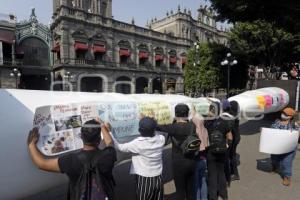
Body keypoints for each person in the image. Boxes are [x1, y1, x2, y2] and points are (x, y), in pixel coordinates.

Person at [27, 119, 117, 200]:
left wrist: (31, 145)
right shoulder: (108, 155)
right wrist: (102, 126)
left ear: (81, 137)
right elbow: (110, 143)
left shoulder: (71, 160)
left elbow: (42, 164)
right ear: (99, 139)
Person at [108, 117, 165, 200]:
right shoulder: (161, 139)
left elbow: (120, 147)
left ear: (139, 130)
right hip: (158, 176)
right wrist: (147, 121)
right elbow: (154, 130)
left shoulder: (138, 144)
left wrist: (109, 132)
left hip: (145, 179)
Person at [156, 103, 197, 200]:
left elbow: (157, 126)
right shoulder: (192, 126)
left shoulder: (173, 127)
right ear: (187, 113)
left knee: (180, 190)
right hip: (191, 161)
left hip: (179, 163)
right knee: (190, 189)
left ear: (176, 114)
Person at [205, 100, 233, 200]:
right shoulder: (224, 121)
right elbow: (230, 137)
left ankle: (213, 196)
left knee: (212, 174)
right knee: (221, 172)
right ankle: (224, 195)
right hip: (222, 151)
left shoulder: (207, 122)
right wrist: (227, 146)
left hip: (210, 151)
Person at [270, 107, 299, 186]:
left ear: (290, 116)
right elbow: (271, 130)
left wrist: (297, 127)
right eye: (283, 113)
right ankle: (275, 168)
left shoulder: (293, 125)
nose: (283, 115)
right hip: (277, 146)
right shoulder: (276, 122)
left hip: (289, 148)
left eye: (286, 114)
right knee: (274, 159)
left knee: (287, 162)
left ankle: (287, 177)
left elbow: (297, 134)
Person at [192, 111, 209, 200]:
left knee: (196, 183)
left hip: (196, 159)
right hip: (204, 158)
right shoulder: (204, 130)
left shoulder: (195, 133)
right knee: (203, 180)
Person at [228, 101, 241, 181]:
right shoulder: (236, 115)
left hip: (233, 138)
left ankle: (235, 174)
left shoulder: (231, 118)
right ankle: (232, 171)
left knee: (232, 155)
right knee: (232, 155)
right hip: (236, 137)